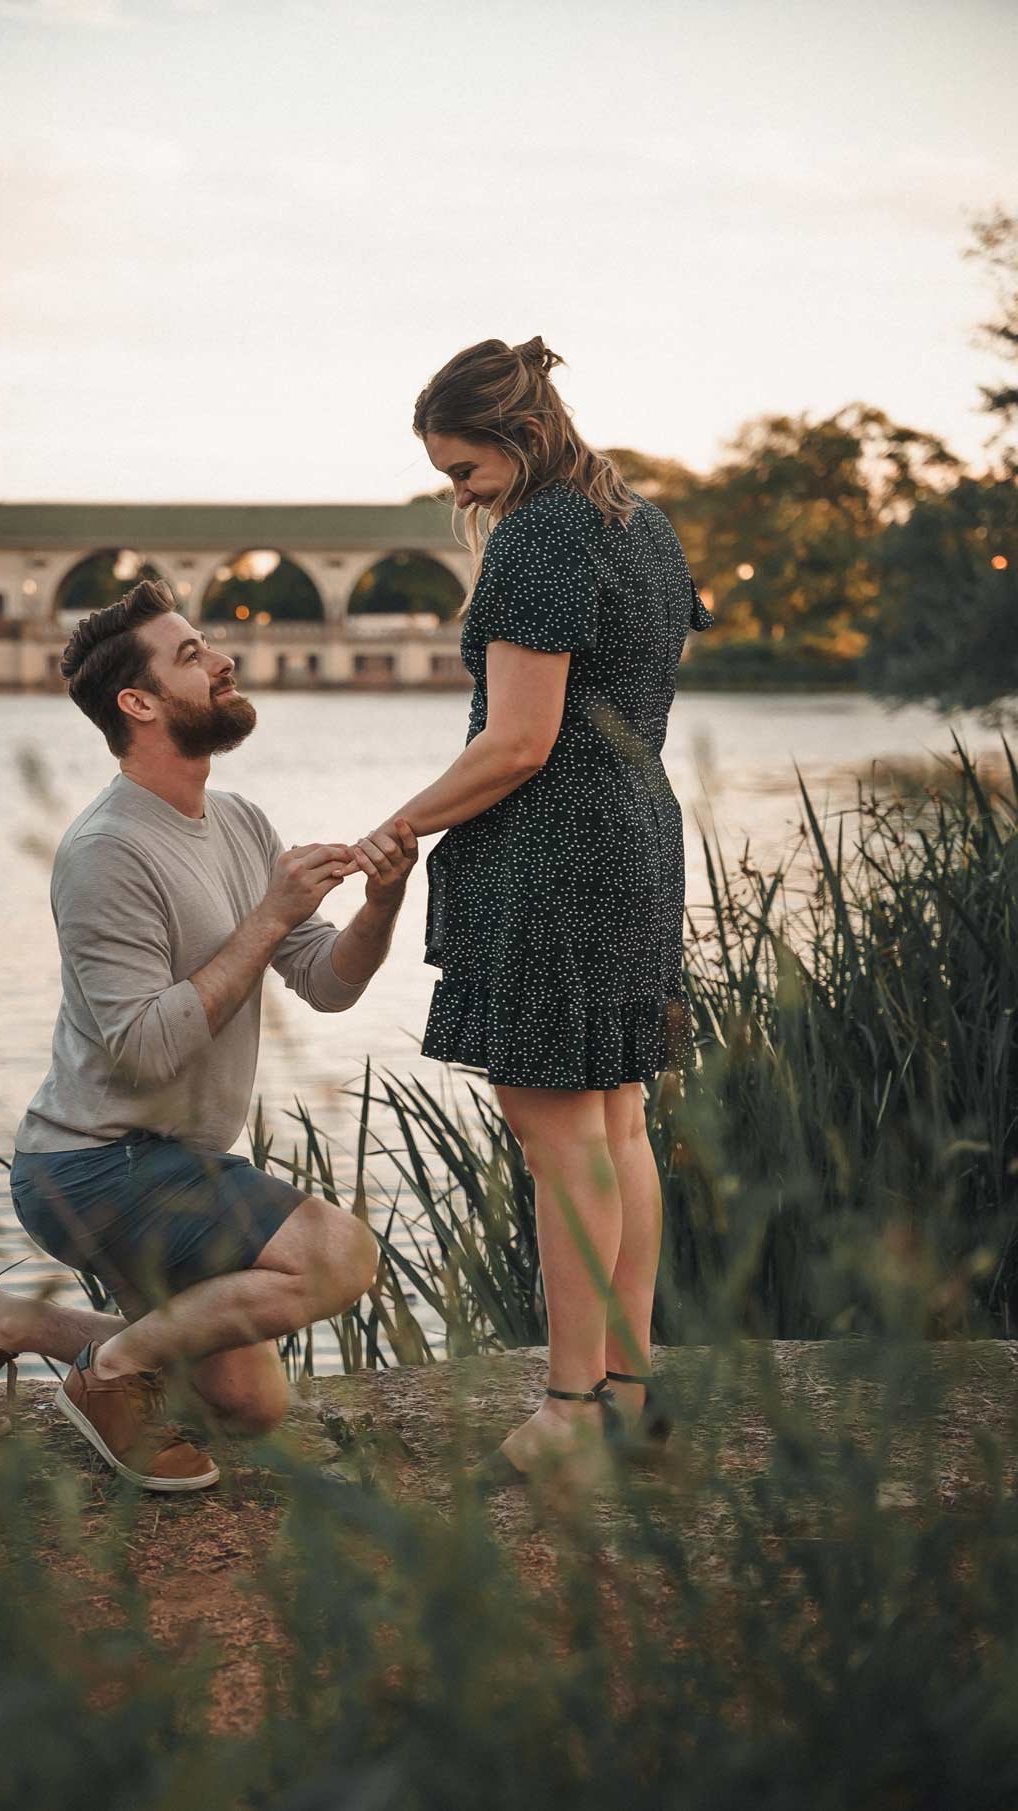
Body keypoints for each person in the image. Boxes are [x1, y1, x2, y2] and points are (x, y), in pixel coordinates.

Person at [0, 580, 417, 1491]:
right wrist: (269, 915)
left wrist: (382, 902)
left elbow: (328, 983)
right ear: (139, 703)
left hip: (172, 1161)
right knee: (342, 1256)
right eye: (192, 654)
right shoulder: (106, 850)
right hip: (90, 1164)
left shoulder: (237, 821)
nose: (223, 660)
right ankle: (107, 1376)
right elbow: (145, 1048)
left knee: (249, 1405)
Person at [347, 336, 714, 1483]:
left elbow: (517, 740)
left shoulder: (542, 533)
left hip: (557, 853)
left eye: (463, 470)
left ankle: (566, 1412)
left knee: (561, 1138)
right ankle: (628, 1393)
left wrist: (397, 827)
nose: (456, 494)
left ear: (515, 435)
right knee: (613, 1120)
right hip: (637, 832)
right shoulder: (638, 521)